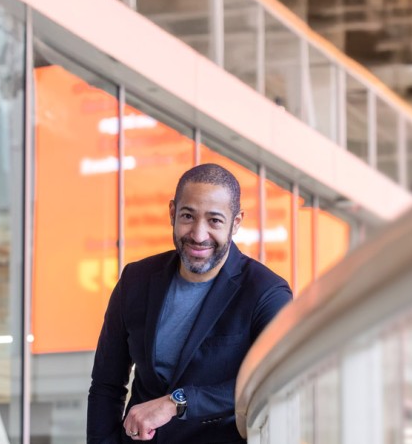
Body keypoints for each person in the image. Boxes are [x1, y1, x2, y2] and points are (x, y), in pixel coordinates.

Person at [87, 163, 293, 443]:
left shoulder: (266, 292)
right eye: (188, 216)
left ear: (236, 222)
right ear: (172, 213)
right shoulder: (135, 279)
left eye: (214, 221)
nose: (198, 234)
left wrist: (177, 403)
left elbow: (274, 380)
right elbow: (106, 385)